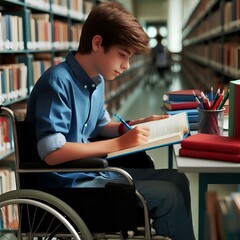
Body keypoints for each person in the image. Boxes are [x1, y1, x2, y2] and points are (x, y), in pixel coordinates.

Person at [25, 2, 195, 239]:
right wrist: (119, 144)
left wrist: (142, 123)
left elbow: (100, 126)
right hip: (69, 187)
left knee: (178, 179)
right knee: (168, 194)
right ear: (97, 43)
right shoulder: (58, 82)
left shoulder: (96, 81)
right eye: (122, 55)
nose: (126, 66)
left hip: (91, 174)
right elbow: (52, 152)